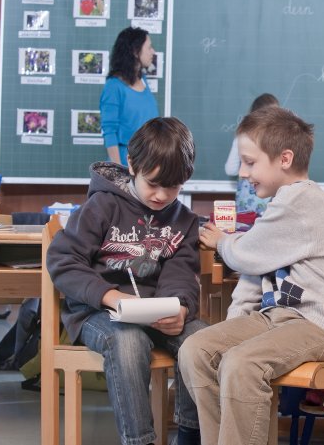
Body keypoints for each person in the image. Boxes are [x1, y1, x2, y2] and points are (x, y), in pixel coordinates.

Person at [179, 106, 324, 445]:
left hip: (320, 324)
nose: (243, 172)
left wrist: (223, 242)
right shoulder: (280, 204)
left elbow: (245, 254)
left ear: (284, 159)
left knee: (242, 364)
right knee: (196, 350)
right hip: (277, 319)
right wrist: (233, 327)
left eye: (250, 162)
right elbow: (254, 269)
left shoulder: (302, 201)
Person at [46, 117, 207, 445]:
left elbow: (181, 274)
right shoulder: (101, 206)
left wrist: (180, 308)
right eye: (153, 183)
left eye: (173, 187)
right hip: (98, 314)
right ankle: (139, 441)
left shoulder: (184, 221)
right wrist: (111, 297)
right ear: (132, 165)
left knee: (200, 339)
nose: (161, 195)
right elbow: (63, 262)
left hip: (155, 316)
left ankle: (190, 435)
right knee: (129, 341)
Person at [100, 27, 159, 166]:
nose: (153, 52)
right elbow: (110, 132)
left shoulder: (143, 80)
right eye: (149, 47)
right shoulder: (113, 86)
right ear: (135, 51)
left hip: (147, 163)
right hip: (126, 165)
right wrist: (119, 172)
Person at [224, 93, 280, 217]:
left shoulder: (242, 137)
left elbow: (230, 169)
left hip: (245, 207)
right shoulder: (279, 140)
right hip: (271, 206)